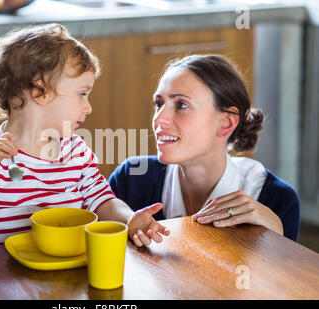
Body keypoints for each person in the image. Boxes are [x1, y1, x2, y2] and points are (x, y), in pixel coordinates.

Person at [0, 23, 169, 247]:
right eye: (81, 94)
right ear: (41, 91)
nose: (88, 107)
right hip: (4, 278)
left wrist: (129, 220)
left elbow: (103, 201)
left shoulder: (76, 150)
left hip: (69, 272)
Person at [109, 54, 300, 246]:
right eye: (159, 104)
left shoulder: (276, 199)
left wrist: (276, 241)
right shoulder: (130, 179)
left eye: (181, 105)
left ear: (226, 123)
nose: (158, 119)